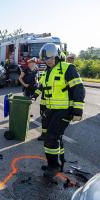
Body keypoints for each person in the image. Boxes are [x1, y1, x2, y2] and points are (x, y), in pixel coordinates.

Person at [32, 43, 85, 178]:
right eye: (45, 59)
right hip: (51, 110)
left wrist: (77, 111)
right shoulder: (47, 71)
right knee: (57, 138)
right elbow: (42, 87)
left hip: (64, 111)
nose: (48, 61)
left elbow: (79, 88)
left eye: (50, 58)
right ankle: (59, 163)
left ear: (57, 55)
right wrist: (34, 97)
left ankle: (53, 166)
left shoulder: (68, 68)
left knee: (50, 138)